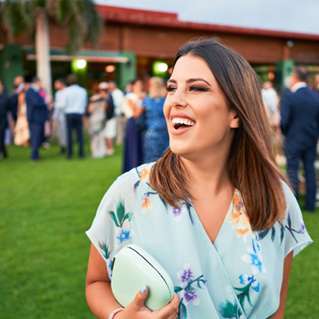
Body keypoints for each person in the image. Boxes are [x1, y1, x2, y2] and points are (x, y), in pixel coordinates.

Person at [85, 38, 312, 319]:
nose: (175, 100)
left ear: (236, 113)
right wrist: (119, 316)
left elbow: (276, 308)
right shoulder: (130, 191)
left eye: (196, 88)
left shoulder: (277, 200)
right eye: (172, 88)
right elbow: (96, 282)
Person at [280, 66, 319, 212]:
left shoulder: (290, 96)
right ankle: (310, 205)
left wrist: (285, 134)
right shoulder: (315, 96)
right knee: (309, 171)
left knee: (292, 171)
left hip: (293, 139)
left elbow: (284, 121)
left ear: (295, 78)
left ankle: (293, 205)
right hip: (310, 139)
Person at [134, 76, 169, 163]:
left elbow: (135, 115)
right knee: (166, 157)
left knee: (151, 159)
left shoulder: (146, 101)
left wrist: (138, 99)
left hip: (151, 131)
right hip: (165, 130)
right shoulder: (166, 100)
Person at [122, 79, 145, 172]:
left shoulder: (143, 96)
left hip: (141, 123)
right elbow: (134, 113)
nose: (140, 87)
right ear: (133, 86)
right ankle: (132, 166)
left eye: (141, 85)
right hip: (132, 122)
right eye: (137, 85)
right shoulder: (129, 97)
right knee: (133, 145)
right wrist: (140, 100)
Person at [63, 74, 88, 159]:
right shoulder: (82, 91)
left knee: (69, 134)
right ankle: (81, 153)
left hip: (69, 113)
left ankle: (70, 154)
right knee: (80, 134)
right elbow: (84, 103)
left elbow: (63, 104)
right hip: (79, 113)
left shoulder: (66, 91)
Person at [25, 76, 48, 161]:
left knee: (37, 136)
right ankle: (34, 155)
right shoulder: (31, 91)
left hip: (37, 118)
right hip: (35, 118)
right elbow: (35, 103)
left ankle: (36, 154)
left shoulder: (34, 91)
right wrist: (45, 102)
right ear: (37, 82)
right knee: (35, 136)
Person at [87, 82, 109, 158]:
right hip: (102, 118)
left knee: (94, 137)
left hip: (95, 119)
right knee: (101, 136)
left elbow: (90, 110)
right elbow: (105, 109)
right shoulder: (103, 99)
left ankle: (95, 152)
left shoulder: (93, 99)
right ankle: (102, 151)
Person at [52, 78, 67, 154]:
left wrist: (54, 104)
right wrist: (54, 116)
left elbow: (62, 104)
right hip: (59, 115)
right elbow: (57, 105)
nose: (55, 85)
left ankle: (66, 146)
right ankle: (62, 146)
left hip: (65, 114)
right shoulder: (57, 93)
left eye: (56, 83)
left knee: (65, 131)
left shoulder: (67, 92)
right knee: (60, 132)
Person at [14, 81, 30, 147]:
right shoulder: (22, 95)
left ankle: (25, 140)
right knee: (23, 126)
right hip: (23, 112)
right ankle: (24, 140)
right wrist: (20, 112)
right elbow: (20, 105)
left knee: (25, 126)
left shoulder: (25, 94)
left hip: (25, 111)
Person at [108, 81, 125, 146]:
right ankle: (114, 139)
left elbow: (119, 102)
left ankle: (119, 139)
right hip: (112, 112)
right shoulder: (110, 92)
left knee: (119, 127)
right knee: (114, 127)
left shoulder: (118, 93)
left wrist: (111, 104)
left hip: (117, 112)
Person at [0, 80, 10, 159]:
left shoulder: (5, 97)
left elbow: (10, 108)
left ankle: (2, 151)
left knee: (1, 136)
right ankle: (4, 152)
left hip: (3, 120)